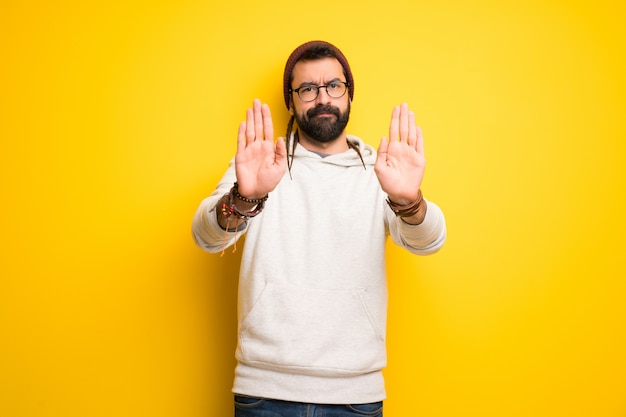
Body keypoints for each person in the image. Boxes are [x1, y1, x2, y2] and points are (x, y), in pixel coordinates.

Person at [192, 40, 446, 417]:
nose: (322, 98)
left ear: (349, 94)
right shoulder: (262, 165)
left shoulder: (382, 171)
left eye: (334, 86)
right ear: (291, 102)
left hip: (355, 396)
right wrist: (246, 197)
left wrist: (409, 200)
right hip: (264, 391)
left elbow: (429, 241)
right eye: (308, 89)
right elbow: (206, 236)